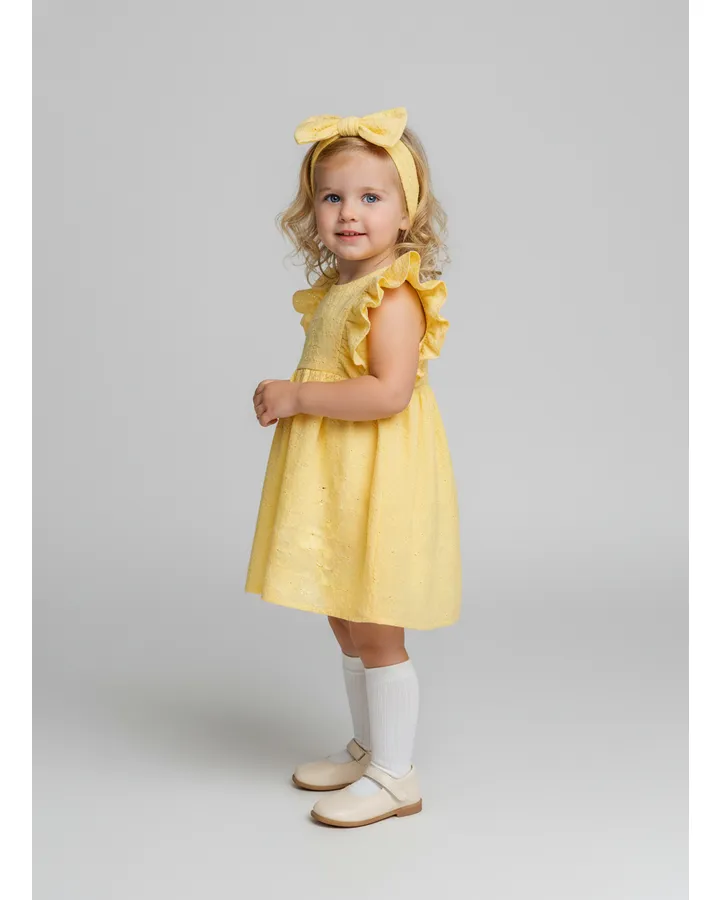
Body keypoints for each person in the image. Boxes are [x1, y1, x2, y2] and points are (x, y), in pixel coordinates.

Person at [245, 106, 462, 828]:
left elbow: (387, 393)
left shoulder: (392, 295)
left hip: (379, 480)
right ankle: (371, 749)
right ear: (311, 211)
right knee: (344, 613)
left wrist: (297, 394)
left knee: (375, 624)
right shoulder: (342, 288)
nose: (349, 213)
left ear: (408, 212)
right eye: (332, 196)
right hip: (341, 477)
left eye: (371, 197)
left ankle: (397, 777)